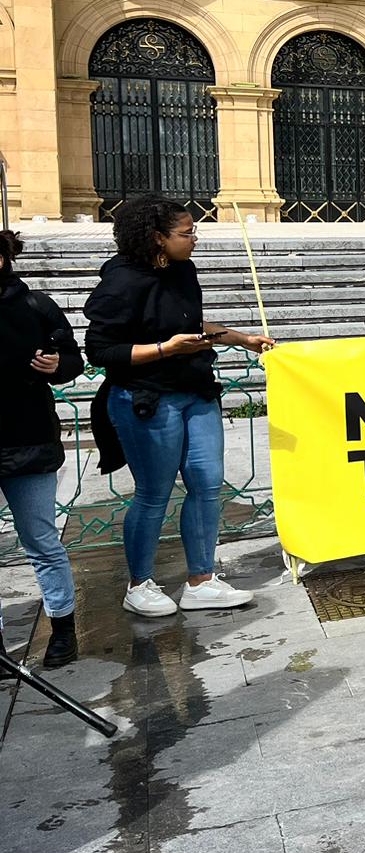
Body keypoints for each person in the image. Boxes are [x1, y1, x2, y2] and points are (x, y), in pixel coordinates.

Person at [84, 197, 273, 618]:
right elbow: (100, 350)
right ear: (157, 237)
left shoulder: (183, 271)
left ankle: (202, 580)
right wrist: (163, 350)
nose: (195, 239)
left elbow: (189, 323)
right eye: (186, 233)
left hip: (196, 391)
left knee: (208, 484)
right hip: (146, 398)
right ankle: (139, 584)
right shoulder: (121, 283)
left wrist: (242, 338)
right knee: (154, 493)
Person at [0, 231, 84, 667]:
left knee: (41, 540)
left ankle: (63, 630)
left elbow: (73, 360)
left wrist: (57, 366)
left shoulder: (36, 306)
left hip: (28, 442)